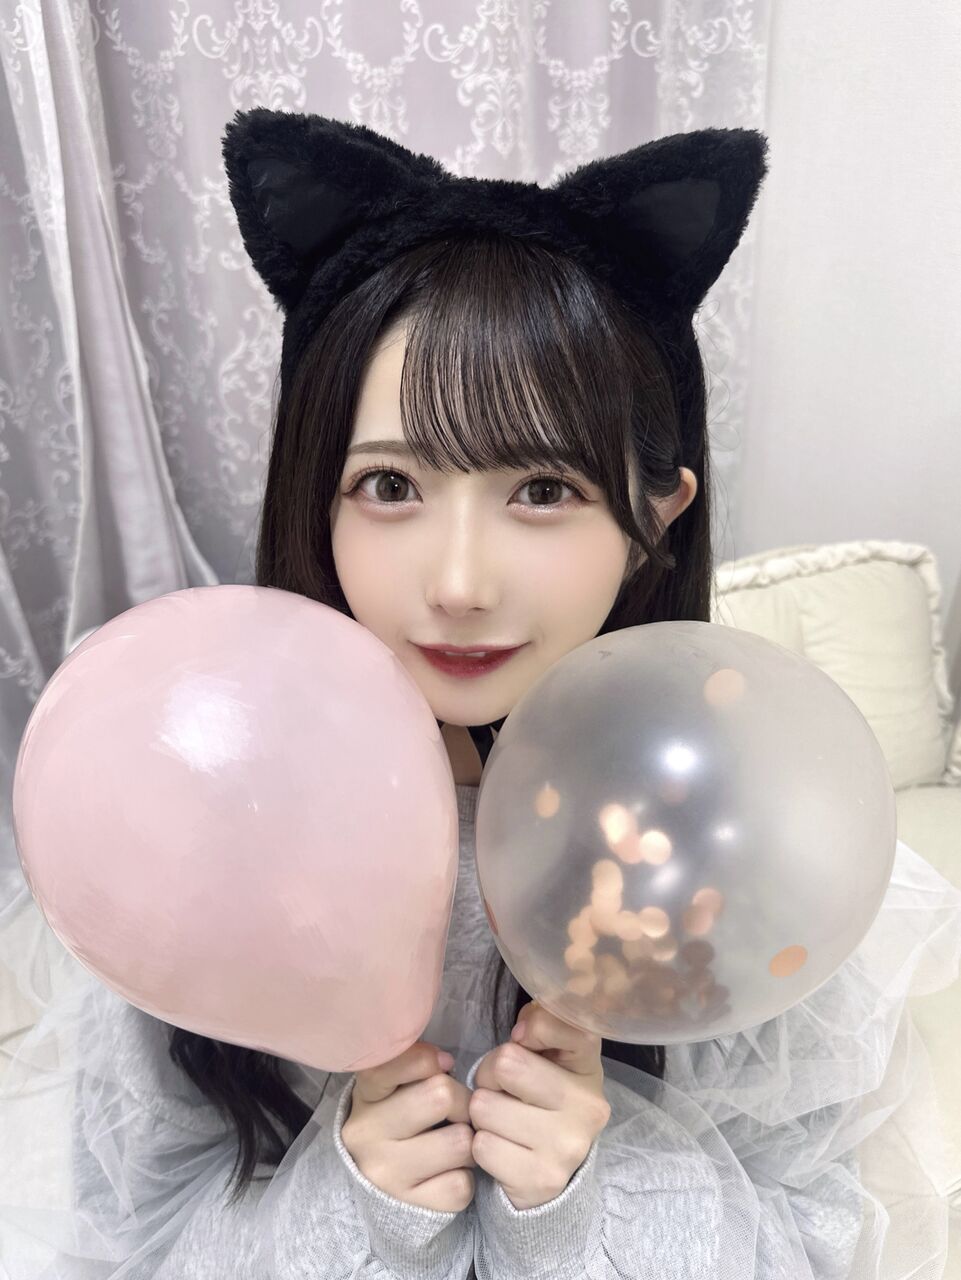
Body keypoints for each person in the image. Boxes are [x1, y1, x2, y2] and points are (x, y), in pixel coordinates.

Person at [0, 111, 959, 1279]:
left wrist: (585, 1197)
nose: (458, 582)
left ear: (654, 516)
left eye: (542, 487)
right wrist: (349, 1201)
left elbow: (815, 1237)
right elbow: (128, 1240)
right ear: (315, 496)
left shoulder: (735, 833)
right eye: (389, 484)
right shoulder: (196, 825)